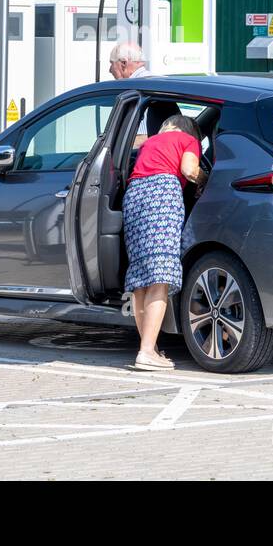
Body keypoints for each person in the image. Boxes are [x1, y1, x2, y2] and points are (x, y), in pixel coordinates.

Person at [122, 113, 204, 371]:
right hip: (162, 195)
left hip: (134, 195)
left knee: (140, 279)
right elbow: (189, 170)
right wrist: (204, 181)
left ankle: (150, 347)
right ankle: (146, 352)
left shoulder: (150, 143)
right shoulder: (188, 140)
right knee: (160, 276)